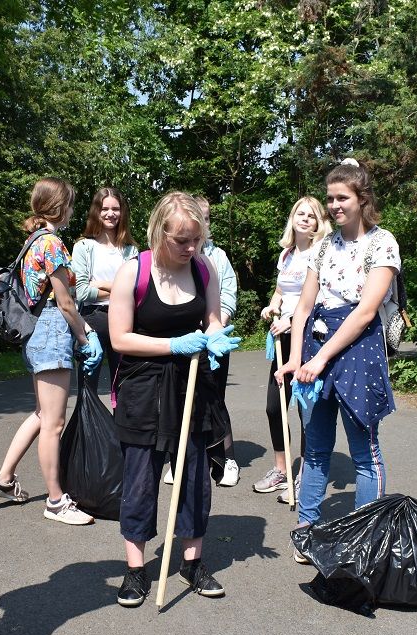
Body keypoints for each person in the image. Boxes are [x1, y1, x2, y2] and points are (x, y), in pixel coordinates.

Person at [108, 191, 241, 607]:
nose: (190, 248)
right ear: (159, 233)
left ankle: (192, 561)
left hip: (194, 385)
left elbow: (214, 319)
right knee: (140, 478)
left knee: (195, 476)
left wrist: (215, 338)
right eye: (181, 240)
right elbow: (119, 338)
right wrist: (172, 345)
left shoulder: (204, 270)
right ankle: (135, 570)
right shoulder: (135, 272)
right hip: (143, 387)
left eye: (196, 240)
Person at [275, 159, 399, 564]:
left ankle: (366, 535)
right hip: (316, 344)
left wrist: (322, 358)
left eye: (342, 198)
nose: (334, 205)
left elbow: (365, 312)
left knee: (365, 452)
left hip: (359, 347)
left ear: (362, 199)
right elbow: (305, 306)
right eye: (330, 198)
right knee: (315, 449)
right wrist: (295, 359)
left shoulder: (383, 243)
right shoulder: (325, 246)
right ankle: (307, 529)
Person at [0, 177, 103, 525]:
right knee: (53, 421)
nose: (73, 209)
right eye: (71, 203)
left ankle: (4, 479)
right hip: (51, 329)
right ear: (60, 205)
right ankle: (56, 502)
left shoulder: (33, 240)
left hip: (36, 332)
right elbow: (65, 301)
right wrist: (84, 334)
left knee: (41, 414)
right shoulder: (52, 243)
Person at [163, 195, 240, 487]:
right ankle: (178, 458)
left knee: (214, 398)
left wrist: (216, 327)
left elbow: (227, 295)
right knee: (179, 403)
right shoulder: (169, 259)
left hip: (212, 340)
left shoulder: (216, 258)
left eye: (206, 219)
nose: (202, 225)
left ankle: (226, 457)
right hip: (183, 341)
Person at [256, 196, 329, 500]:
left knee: (304, 410)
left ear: (318, 223)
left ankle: (304, 476)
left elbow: (321, 298)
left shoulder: (319, 255)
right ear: (292, 218)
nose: (304, 219)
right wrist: (272, 306)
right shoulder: (286, 255)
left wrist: (290, 320)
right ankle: (281, 468)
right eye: (300, 213)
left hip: (307, 338)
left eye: (311, 216)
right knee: (274, 406)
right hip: (281, 341)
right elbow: (280, 289)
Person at [71, 187, 139, 391]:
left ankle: (122, 424)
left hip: (125, 320)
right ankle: (88, 424)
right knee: (87, 389)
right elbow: (82, 292)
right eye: (105, 208)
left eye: (116, 209)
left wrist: (100, 284)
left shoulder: (131, 250)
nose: (111, 214)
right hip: (93, 320)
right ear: (96, 211)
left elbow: (135, 291)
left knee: (125, 387)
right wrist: (121, 288)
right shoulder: (83, 247)